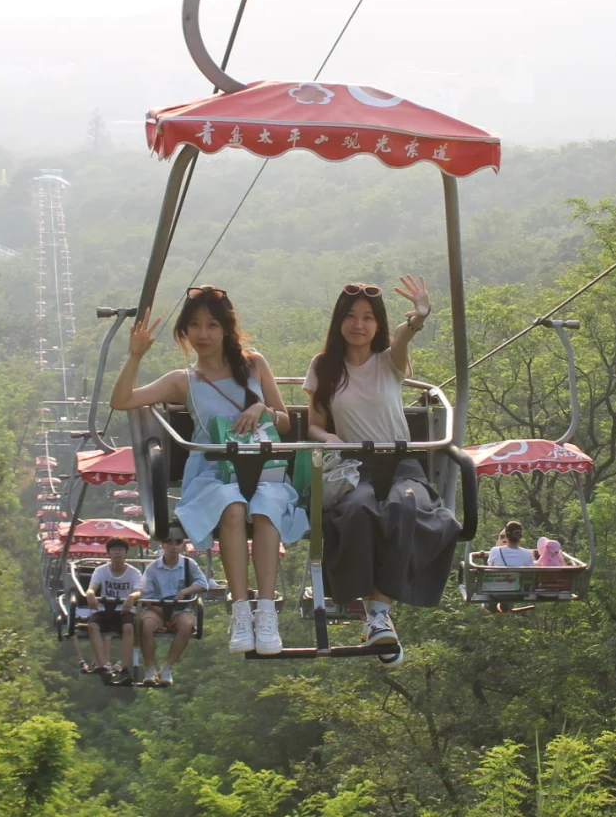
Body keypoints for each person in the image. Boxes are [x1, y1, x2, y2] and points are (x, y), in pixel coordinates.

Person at [110, 286, 306, 657]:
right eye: (195, 326)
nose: (203, 335)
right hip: (213, 472)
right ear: (185, 331)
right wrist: (135, 356)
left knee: (266, 509)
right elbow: (122, 400)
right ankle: (240, 610)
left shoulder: (254, 365)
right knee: (231, 508)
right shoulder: (184, 380)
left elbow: (283, 424)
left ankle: (266, 614)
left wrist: (262, 409)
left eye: (212, 325)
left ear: (226, 329)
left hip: (260, 466)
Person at [305, 276, 458, 665]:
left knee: (404, 508)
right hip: (357, 464)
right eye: (352, 316)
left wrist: (419, 318)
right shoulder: (324, 366)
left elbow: (403, 340)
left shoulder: (389, 359)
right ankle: (375, 616)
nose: (359, 325)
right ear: (340, 321)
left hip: (402, 461)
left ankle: (379, 615)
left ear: (379, 324)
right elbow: (314, 424)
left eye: (368, 318)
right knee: (357, 511)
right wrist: (330, 440)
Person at [137, 533, 208, 685]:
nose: (173, 546)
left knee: (187, 626)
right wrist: (162, 614)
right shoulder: (153, 568)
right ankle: (150, 668)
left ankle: (167, 667)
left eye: (178, 542)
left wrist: (185, 592)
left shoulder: (189, 564)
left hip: (180, 608)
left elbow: (203, 584)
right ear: (162, 545)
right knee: (147, 625)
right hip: (156, 607)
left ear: (182, 545)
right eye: (169, 542)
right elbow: (146, 595)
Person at [85, 537, 143, 684]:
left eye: (121, 550)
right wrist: (91, 595)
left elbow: (139, 591)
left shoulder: (133, 573)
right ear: (109, 553)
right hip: (105, 608)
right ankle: (103, 665)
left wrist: (131, 597)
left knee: (129, 627)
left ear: (126, 553)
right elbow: (92, 588)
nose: (117, 554)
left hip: (124, 609)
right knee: (92, 626)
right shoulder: (101, 571)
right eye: (114, 550)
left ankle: (123, 667)